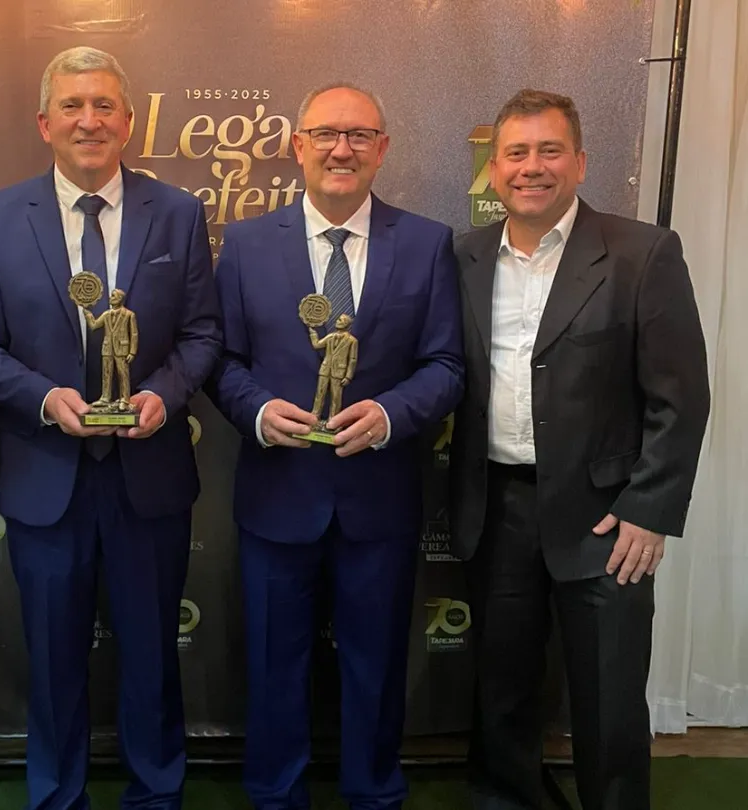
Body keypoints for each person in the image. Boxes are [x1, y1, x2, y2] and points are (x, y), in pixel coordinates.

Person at [0, 46, 221, 810]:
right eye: (72, 105)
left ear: (129, 122)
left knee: (152, 659)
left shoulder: (178, 213)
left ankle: (156, 796)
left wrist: (163, 393)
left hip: (149, 476)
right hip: (46, 478)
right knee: (53, 662)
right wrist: (45, 399)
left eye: (104, 105)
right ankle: (56, 799)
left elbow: (203, 333)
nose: (89, 120)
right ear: (45, 123)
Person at [449, 89, 710, 810]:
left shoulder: (643, 252)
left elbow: (681, 396)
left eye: (549, 150)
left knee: (609, 697)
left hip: (607, 519)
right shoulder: (464, 255)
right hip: (496, 508)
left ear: (581, 162)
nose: (532, 167)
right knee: (502, 691)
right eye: (516, 153)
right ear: (494, 169)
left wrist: (650, 510)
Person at [210, 82, 464, 810]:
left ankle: (374, 795)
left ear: (382, 150)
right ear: (298, 146)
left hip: (378, 501)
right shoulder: (245, 245)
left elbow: (446, 365)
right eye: (325, 134)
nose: (340, 149)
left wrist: (389, 413)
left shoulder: (427, 243)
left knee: (375, 668)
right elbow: (219, 359)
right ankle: (275, 797)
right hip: (276, 496)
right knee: (273, 666)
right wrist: (258, 411)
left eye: (358, 135)